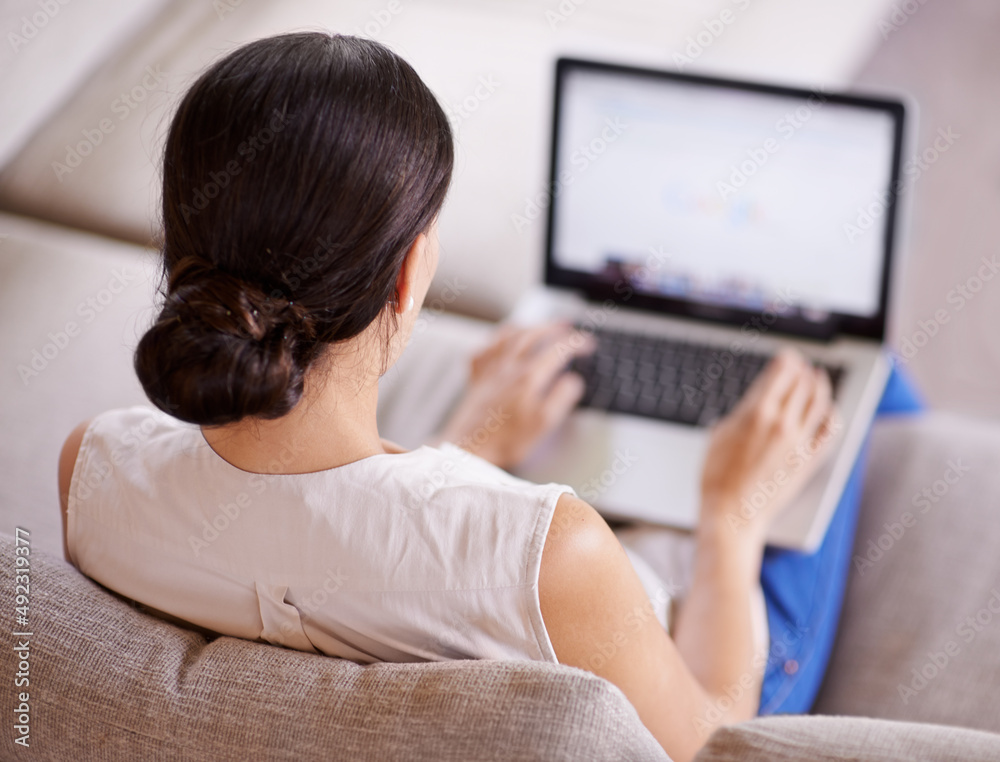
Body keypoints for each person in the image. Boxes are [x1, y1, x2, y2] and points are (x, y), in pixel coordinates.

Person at [55, 32, 921, 762]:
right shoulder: (550, 549)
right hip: (697, 652)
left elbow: (339, 562)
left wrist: (469, 446)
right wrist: (734, 517)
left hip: (566, 607)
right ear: (407, 277)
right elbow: (714, 741)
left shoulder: (91, 470)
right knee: (854, 393)